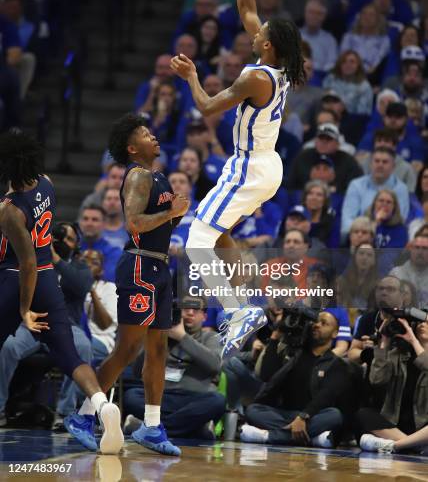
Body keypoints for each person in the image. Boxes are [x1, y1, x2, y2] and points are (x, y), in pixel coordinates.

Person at [170, 0, 305, 358]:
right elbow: (247, 6)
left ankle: (237, 308)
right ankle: (242, 273)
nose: (255, 28)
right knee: (220, 228)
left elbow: (209, 107)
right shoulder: (276, 66)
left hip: (250, 166)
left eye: (261, 32)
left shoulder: (255, 77)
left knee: (195, 238)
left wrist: (191, 75)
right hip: (264, 166)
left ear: (269, 44)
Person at [0, 130, 122, 454]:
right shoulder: (47, 182)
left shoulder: (11, 210)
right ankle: (101, 404)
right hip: (48, 278)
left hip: (18, 278)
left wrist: (24, 310)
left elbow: (25, 263)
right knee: (70, 356)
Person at [76, 113, 190, 457]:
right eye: (145, 133)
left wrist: (177, 213)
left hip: (159, 267)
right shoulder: (139, 176)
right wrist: (171, 214)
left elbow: (161, 226)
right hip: (139, 264)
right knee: (127, 349)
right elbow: (134, 224)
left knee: (158, 350)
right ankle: (82, 417)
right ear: (132, 147)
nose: (153, 136)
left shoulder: (160, 178)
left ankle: (152, 426)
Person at [240, 311, 350, 447]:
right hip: (284, 415)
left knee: (334, 415)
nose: (317, 325)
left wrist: (303, 416)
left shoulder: (336, 364)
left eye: (324, 323)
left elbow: (326, 395)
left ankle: (268, 436)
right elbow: (267, 375)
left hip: (313, 416)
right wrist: (275, 338)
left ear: (334, 333)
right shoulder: (295, 354)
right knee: (253, 410)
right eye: (316, 322)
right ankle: (312, 438)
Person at [123, 297, 225, 439]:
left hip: (194, 399)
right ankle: (194, 430)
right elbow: (136, 372)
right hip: (162, 398)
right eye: (185, 309)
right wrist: (153, 337)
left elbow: (214, 365)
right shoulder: (162, 336)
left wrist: (182, 337)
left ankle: (144, 427)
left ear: (204, 317)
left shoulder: (211, 337)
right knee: (131, 396)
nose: (190, 313)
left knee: (217, 401)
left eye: (195, 310)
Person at [357, 317, 428, 455]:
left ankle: (394, 445)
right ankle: (416, 446)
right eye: (421, 322)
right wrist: (384, 342)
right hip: (396, 426)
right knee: (363, 415)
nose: (423, 325)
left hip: (423, 425)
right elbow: (377, 380)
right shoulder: (398, 354)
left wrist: (414, 341)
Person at [341, 148, 410, 239]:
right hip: (358, 237)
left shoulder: (401, 189)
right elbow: (347, 221)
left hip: (389, 236)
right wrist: (364, 233)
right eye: (376, 161)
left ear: (393, 166)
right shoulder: (356, 185)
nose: (380, 165)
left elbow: (399, 220)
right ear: (370, 164)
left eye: (385, 162)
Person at [79, 205, 122, 282]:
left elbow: (109, 279)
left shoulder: (115, 252)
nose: (89, 223)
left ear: (104, 224)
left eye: (95, 220)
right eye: (85, 219)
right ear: (80, 223)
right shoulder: (71, 248)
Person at [322, 50, 373, 115]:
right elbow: (322, 100)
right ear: (339, 64)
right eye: (344, 61)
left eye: (352, 62)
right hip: (327, 115)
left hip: (351, 120)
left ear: (358, 65)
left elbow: (363, 114)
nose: (348, 65)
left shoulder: (365, 87)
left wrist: (344, 108)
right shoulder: (330, 79)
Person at [390, 235, 428, 308]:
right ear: (410, 250)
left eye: (425, 248)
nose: (420, 252)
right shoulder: (396, 273)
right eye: (417, 247)